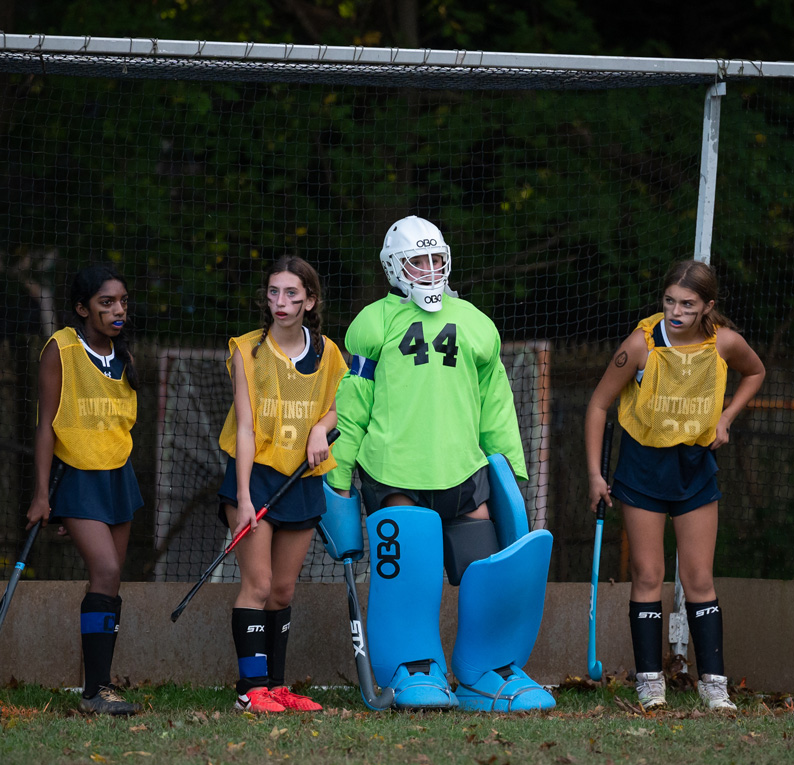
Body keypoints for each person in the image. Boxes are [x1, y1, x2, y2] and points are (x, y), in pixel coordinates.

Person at [325, 215, 555, 712]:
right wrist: (339, 478)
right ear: (395, 267)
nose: (429, 270)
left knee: (485, 571)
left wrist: (511, 472)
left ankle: (484, 672)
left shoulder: (475, 322)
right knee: (412, 569)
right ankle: (411, 666)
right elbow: (353, 404)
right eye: (417, 260)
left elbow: (496, 404)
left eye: (436, 260)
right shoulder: (374, 322)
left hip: (464, 472)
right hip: (394, 472)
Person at [584, 259, 766, 712]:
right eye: (669, 301)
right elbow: (598, 405)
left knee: (698, 578)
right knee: (648, 575)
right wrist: (594, 473)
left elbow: (757, 372)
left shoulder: (724, 343)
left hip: (695, 466)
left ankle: (714, 684)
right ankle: (650, 682)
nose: (676, 311)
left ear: (708, 306)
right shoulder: (641, 345)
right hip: (643, 467)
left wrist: (726, 417)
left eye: (687, 303)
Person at [216, 256, 346, 713]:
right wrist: (244, 498)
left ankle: (275, 686)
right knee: (258, 583)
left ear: (310, 301)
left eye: (292, 294)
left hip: (301, 481)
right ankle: (249, 691)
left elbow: (338, 409)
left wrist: (319, 428)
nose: (281, 302)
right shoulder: (247, 350)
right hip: (255, 477)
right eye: (274, 292)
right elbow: (246, 428)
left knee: (283, 590)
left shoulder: (328, 352)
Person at [27, 265, 144, 716]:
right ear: (82, 308)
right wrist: (43, 494)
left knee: (110, 584)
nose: (118, 310)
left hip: (118, 477)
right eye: (106, 302)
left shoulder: (126, 358)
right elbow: (46, 426)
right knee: (107, 571)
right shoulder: (61, 348)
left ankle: (100, 687)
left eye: (123, 302)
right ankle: (95, 691)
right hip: (75, 475)